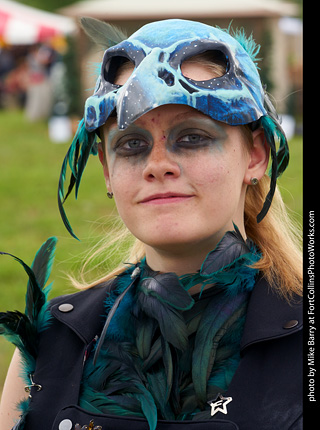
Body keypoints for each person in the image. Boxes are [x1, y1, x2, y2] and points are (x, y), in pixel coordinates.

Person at [0, 18, 302, 430]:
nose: (158, 166)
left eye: (193, 136)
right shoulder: (52, 342)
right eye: (132, 144)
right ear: (107, 171)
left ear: (255, 156)